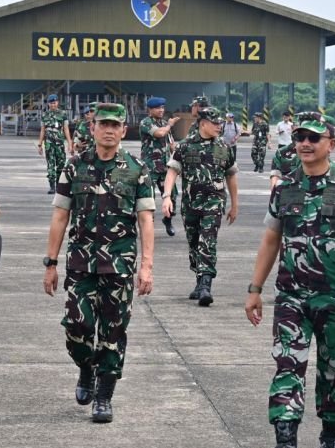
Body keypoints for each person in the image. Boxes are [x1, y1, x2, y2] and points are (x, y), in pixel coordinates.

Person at [245, 111, 335, 448]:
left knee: (334, 368)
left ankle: (331, 434)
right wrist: (255, 289)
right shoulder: (285, 186)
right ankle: (285, 445)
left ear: (331, 145)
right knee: (287, 364)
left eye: (313, 138)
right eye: (300, 137)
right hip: (291, 297)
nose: (304, 143)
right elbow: (271, 239)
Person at [43, 103, 155, 423]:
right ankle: (85, 367)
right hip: (81, 263)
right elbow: (60, 215)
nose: (108, 130)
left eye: (114, 125)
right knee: (77, 326)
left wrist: (146, 266)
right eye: (102, 124)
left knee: (113, 331)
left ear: (123, 130)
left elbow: (146, 221)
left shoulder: (136, 169)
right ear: (92, 128)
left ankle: (104, 395)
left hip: (119, 265)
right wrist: (50, 263)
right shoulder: (74, 166)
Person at [162, 106, 238, 306]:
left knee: (208, 241)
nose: (219, 127)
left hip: (214, 203)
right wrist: (166, 196)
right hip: (191, 205)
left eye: (220, 123)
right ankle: (199, 280)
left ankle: (206, 285)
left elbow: (231, 176)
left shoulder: (224, 147)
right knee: (194, 242)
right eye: (215, 123)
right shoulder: (185, 146)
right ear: (203, 123)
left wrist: (235, 205)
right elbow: (172, 171)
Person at [139, 96, 180, 236]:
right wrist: (169, 125)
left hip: (165, 168)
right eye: (158, 108)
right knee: (147, 199)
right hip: (150, 168)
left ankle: (168, 220)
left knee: (172, 195)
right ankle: (147, 227)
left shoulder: (163, 123)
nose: (161, 110)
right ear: (150, 110)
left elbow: (171, 144)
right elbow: (159, 133)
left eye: (162, 107)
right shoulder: (146, 122)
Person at [37, 94, 73, 194]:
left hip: (59, 144)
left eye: (55, 102)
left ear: (57, 102)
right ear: (48, 104)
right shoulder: (45, 115)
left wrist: (70, 143)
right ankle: (52, 186)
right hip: (49, 143)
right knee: (51, 165)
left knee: (61, 165)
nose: (53, 105)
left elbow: (66, 129)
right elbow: (42, 130)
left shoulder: (63, 114)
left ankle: (59, 185)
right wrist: (40, 145)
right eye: (51, 103)